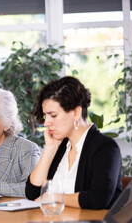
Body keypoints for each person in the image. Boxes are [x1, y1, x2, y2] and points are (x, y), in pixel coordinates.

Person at [25, 76, 122, 209]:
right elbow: (33, 193)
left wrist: (55, 197)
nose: (46, 122)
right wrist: (50, 148)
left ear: (76, 112)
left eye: (53, 115)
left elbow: (98, 199)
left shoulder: (105, 147)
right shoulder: (60, 146)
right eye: (45, 116)